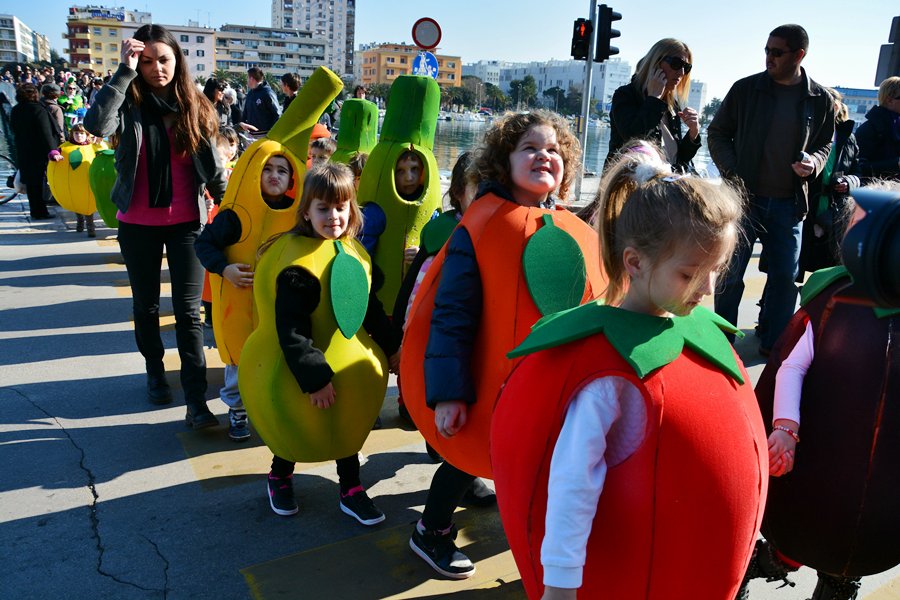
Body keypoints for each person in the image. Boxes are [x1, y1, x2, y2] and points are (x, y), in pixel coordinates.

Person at [491, 142, 766, 600]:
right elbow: (572, 484)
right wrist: (560, 585)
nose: (707, 288)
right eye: (689, 274)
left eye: (716, 270)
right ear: (635, 262)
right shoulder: (606, 375)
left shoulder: (701, 335)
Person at [403, 110, 605, 579]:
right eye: (529, 148)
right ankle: (431, 530)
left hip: (546, 384)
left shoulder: (567, 226)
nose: (543, 156)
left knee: (540, 455)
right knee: (471, 451)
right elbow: (452, 314)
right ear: (503, 161)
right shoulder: (481, 225)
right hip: (486, 380)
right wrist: (449, 393)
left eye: (553, 150)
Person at [747, 185, 900, 600]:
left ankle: (835, 583)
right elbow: (792, 366)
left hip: (882, 477)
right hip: (819, 455)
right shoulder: (831, 302)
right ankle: (764, 564)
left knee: (850, 555)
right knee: (799, 534)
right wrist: (785, 428)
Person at [84, 24, 227, 426]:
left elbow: (214, 169)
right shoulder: (127, 102)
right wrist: (123, 71)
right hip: (137, 224)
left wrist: (234, 207)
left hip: (187, 225)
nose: (156, 69)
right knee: (146, 306)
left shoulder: (195, 105)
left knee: (189, 313)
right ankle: (155, 372)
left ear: (177, 61)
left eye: (163, 60)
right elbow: (96, 126)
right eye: (146, 61)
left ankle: (196, 400)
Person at [245, 163, 400, 522]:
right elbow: (291, 329)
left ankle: (351, 487)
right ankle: (280, 475)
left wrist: (394, 347)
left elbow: (370, 310)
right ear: (306, 212)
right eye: (323, 208)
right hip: (295, 373)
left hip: (347, 368)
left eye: (341, 207)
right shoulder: (296, 266)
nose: (333, 216)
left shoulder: (353, 253)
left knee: (347, 427)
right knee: (294, 426)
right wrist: (315, 379)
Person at [708, 24, 835, 355]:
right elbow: (717, 133)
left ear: (799, 55)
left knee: (784, 278)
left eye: (777, 52)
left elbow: (825, 144)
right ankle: (721, 344)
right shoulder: (745, 89)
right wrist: (733, 172)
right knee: (730, 275)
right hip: (742, 200)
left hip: (789, 205)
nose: (769, 57)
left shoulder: (820, 99)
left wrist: (814, 163)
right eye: (766, 50)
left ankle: (774, 348)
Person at [391, 151, 496, 507]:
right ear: (458, 194)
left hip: (471, 341)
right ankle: (457, 477)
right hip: (439, 338)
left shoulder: (496, 230)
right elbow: (411, 292)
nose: (487, 194)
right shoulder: (443, 234)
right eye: (478, 187)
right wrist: (398, 341)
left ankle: (454, 460)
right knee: (449, 407)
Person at [195, 153, 295, 441]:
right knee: (239, 361)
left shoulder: (297, 213)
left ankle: (272, 408)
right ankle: (237, 410)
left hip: (278, 303)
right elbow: (204, 244)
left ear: (291, 180)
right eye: (267, 169)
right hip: (240, 305)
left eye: (282, 171)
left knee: (277, 359)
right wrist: (225, 268)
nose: (274, 175)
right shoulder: (235, 215)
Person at [606, 38, 700, 172]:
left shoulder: (672, 104)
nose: (681, 73)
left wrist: (693, 133)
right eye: (676, 63)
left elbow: (678, 158)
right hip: (628, 181)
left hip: (665, 181)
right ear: (656, 63)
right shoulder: (625, 95)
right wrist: (654, 99)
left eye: (686, 67)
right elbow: (633, 139)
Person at [799, 94, 861, 275]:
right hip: (804, 206)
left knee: (827, 268)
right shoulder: (805, 132)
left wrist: (849, 183)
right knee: (791, 265)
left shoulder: (848, 138)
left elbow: (858, 173)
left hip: (833, 212)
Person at [10, 83, 57, 219]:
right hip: (38, 151)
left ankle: (35, 210)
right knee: (40, 181)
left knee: (31, 183)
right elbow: (46, 133)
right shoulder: (38, 110)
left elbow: (13, 129)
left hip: (23, 149)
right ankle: (41, 211)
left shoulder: (16, 110)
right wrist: (52, 150)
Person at [48, 123, 97, 237]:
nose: (79, 136)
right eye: (76, 133)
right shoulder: (65, 147)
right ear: (72, 134)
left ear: (87, 135)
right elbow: (53, 152)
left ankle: (90, 227)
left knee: (88, 205)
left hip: (88, 183)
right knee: (77, 203)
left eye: (82, 133)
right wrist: (55, 156)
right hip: (73, 184)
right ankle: (80, 221)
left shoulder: (93, 147)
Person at [855, 76, 900, 180]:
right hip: (877, 188)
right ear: (889, 100)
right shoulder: (869, 129)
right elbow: (858, 167)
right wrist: (896, 164)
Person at [240, 67, 280, 133]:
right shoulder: (250, 94)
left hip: (264, 134)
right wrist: (242, 124)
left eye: (247, 78)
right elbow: (245, 114)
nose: (247, 81)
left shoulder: (268, 93)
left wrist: (270, 132)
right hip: (251, 134)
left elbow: (277, 114)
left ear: (251, 78)